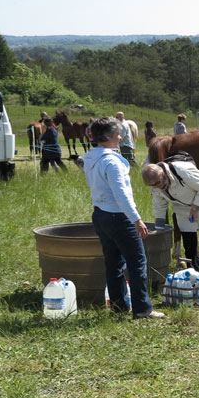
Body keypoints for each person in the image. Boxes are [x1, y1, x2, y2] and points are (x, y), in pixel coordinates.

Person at [82, 117, 164, 319]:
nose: (120, 137)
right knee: (137, 262)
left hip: (100, 215)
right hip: (119, 217)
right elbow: (121, 195)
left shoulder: (91, 158)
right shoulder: (112, 162)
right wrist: (136, 219)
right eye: (118, 134)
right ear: (109, 137)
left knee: (113, 262)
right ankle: (143, 309)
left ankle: (119, 305)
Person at [141, 159, 199, 272]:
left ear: (163, 173)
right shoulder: (156, 186)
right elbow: (159, 206)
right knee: (189, 246)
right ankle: (195, 278)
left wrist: (195, 207)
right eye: (151, 185)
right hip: (183, 210)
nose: (156, 187)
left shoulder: (183, 170)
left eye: (157, 183)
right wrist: (159, 229)